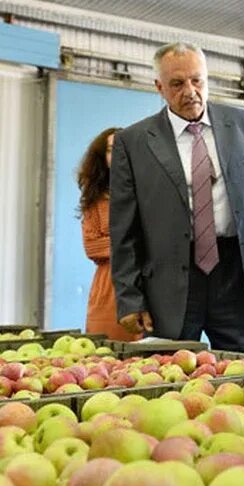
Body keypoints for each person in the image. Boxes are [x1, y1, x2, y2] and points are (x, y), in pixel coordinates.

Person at [110, 42, 244, 354]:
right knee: (170, 376)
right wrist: (130, 298)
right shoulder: (133, 142)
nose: (190, 91)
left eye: (197, 80)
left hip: (235, 275)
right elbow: (124, 230)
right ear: (159, 87)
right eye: (177, 83)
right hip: (169, 282)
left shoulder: (242, 125)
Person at [78, 127, 140, 341]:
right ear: (102, 157)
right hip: (108, 288)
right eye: (112, 150)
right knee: (104, 356)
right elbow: (92, 246)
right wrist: (135, 243)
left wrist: (116, 243)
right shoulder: (95, 200)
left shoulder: (149, 194)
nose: (119, 155)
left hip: (146, 284)